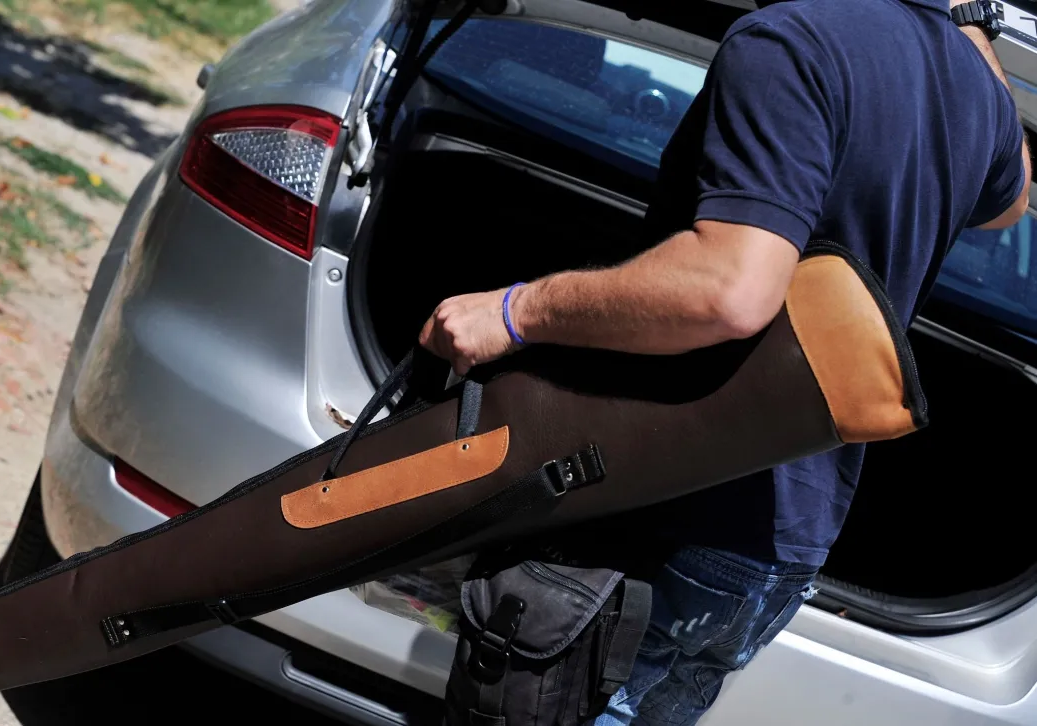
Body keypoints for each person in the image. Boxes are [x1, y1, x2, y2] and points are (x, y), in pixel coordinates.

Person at [418, 0, 1031, 723]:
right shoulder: (975, 93)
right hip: (780, 542)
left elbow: (729, 291)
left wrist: (517, 311)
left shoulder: (792, 40)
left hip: (663, 504)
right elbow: (1012, 199)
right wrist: (972, 25)